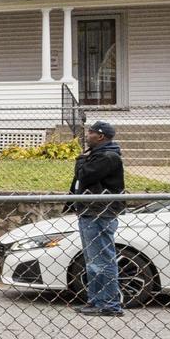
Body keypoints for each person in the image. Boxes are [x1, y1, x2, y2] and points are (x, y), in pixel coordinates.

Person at [67, 120, 127, 316]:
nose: (88, 135)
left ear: (100, 136)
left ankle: (110, 304)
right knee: (92, 261)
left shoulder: (108, 156)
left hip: (100, 212)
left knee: (103, 260)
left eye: (91, 132)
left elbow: (85, 176)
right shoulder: (97, 155)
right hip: (89, 211)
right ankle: (95, 300)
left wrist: (81, 160)